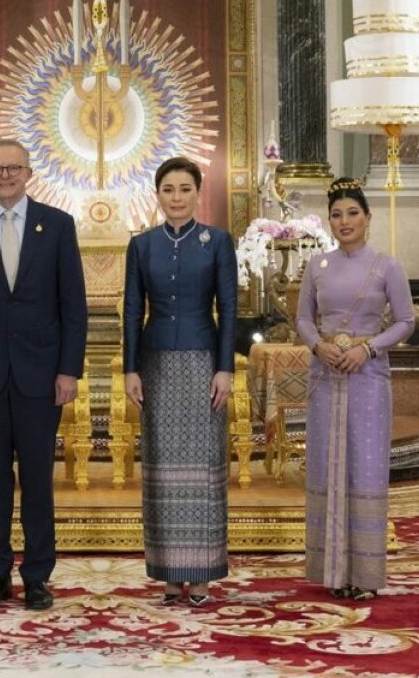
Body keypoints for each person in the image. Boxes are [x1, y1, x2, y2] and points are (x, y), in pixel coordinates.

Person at [0, 138, 88, 611]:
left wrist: (69, 370)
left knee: (38, 482)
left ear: (29, 172)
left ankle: (37, 577)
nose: (4, 176)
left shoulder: (58, 226)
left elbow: (73, 306)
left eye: (13, 168)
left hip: (40, 376)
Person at [123, 155, 237, 606]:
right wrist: (130, 367)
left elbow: (228, 308)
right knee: (164, 473)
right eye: (168, 189)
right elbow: (133, 310)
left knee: (203, 469)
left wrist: (226, 367)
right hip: (155, 366)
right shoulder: (143, 245)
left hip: (204, 364)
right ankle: (171, 575)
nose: (176, 197)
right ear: (158, 194)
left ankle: (203, 575)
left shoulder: (217, 242)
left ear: (197, 193)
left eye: (184, 189)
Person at [295, 177, 415, 602]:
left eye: (352, 213)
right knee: (328, 466)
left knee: (363, 467)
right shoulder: (317, 266)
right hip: (326, 377)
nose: (344, 221)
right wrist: (319, 346)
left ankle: (363, 574)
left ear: (368, 218)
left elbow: (406, 321)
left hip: (367, 378)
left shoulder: (387, 266)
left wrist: (368, 349)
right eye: (336, 214)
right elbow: (304, 320)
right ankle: (331, 571)